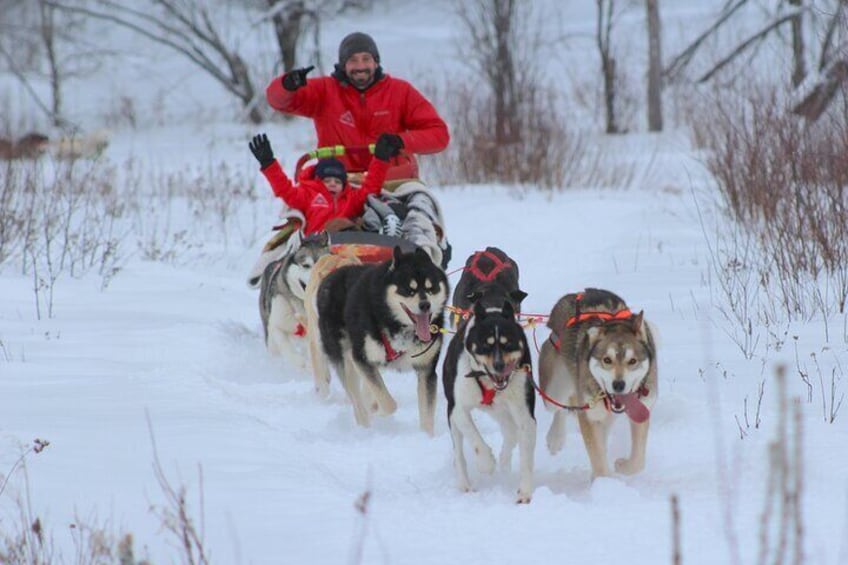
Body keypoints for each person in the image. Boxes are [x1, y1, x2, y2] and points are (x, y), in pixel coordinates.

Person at [265, 31, 449, 181]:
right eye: (353, 60)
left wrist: (401, 142)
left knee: (420, 213)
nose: (360, 66)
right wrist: (287, 85)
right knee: (306, 213)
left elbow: (438, 134)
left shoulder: (400, 91)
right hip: (338, 181)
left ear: (376, 62)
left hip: (392, 180)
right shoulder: (325, 91)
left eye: (366, 59)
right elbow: (278, 100)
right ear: (343, 65)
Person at [248, 132, 402, 236]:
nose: (332, 184)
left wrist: (380, 159)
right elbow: (284, 189)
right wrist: (269, 164)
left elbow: (371, 187)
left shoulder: (351, 198)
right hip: (316, 244)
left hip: (348, 245)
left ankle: (387, 231)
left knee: (357, 221)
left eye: (337, 181)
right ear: (317, 181)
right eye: (327, 181)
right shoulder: (307, 195)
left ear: (344, 184)